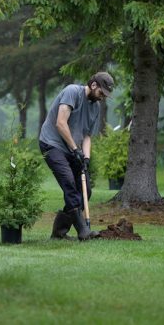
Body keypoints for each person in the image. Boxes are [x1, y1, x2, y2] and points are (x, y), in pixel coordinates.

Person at [39, 71, 114, 241]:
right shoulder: (72, 92)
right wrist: (75, 149)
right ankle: (83, 231)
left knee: (85, 190)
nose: (102, 97)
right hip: (52, 144)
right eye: (101, 93)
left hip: (72, 149)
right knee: (70, 184)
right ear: (94, 85)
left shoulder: (95, 107)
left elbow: (87, 136)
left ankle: (59, 232)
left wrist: (86, 158)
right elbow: (60, 123)